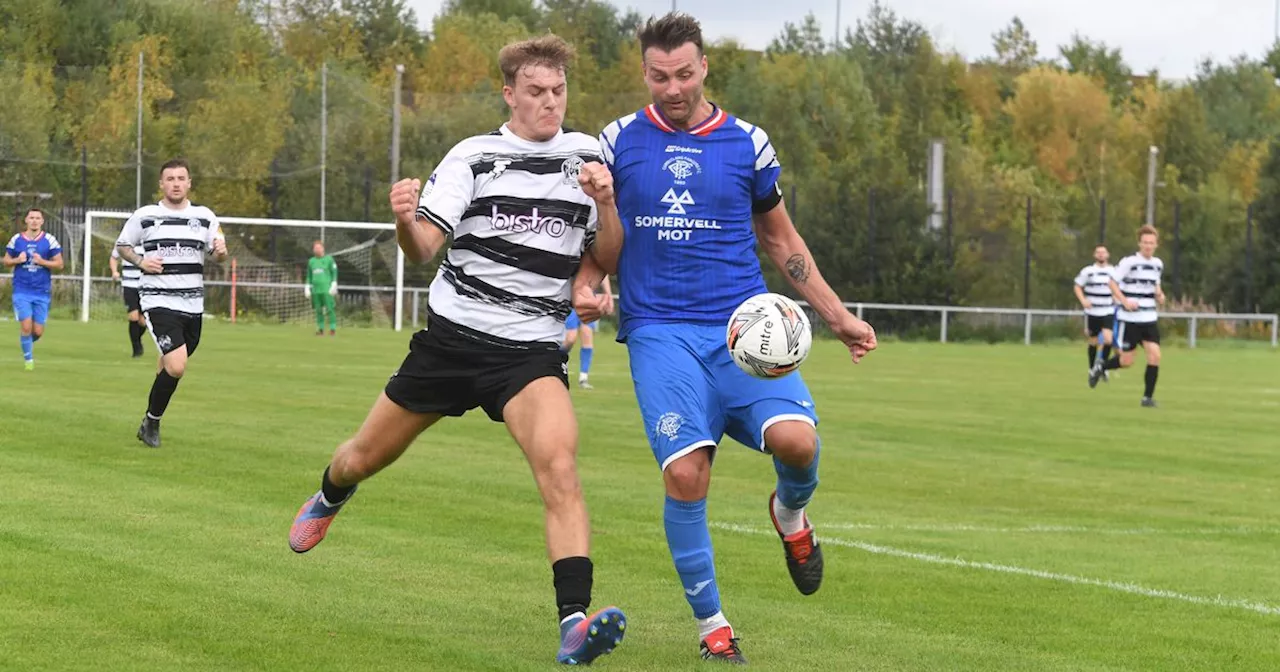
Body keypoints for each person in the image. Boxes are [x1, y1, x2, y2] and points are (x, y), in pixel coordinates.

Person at [287, 35, 628, 666]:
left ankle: (574, 624)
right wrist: (403, 215)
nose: (549, 102)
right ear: (508, 93)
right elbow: (422, 249)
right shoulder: (474, 157)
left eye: (558, 91)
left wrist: (605, 205)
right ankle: (331, 493)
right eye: (535, 92)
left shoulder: (589, 157)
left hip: (527, 353)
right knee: (362, 457)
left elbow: (605, 255)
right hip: (450, 343)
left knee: (560, 466)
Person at [573, 13, 877, 663]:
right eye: (659, 76)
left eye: (684, 74)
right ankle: (714, 630)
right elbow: (602, 243)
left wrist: (836, 314)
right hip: (660, 333)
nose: (673, 87)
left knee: (798, 443)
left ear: (704, 67)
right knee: (687, 473)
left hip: (744, 332)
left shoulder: (748, 143)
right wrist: (588, 279)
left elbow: (781, 240)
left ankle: (791, 517)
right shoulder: (617, 141)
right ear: (644, 73)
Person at [115, 158, 228, 447]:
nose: (176, 183)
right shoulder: (145, 215)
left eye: (181, 178)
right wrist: (142, 261)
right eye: (170, 178)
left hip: (193, 305)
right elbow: (123, 246)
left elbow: (218, 252)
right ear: (161, 184)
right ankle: (152, 423)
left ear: (189, 183)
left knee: (167, 365)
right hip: (158, 300)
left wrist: (220, 252)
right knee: (177, 366)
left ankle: (148, 421)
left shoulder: (205, 217)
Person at [1090, 225, 1165, 405]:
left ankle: (1147, 398)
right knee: (1126, 361)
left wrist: (1160, 295)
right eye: (1145, 242)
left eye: (1151, 243)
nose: (1148, 246)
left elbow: (1156, 286)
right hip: (1130, 320)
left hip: (1149, 319)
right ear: (1139, 243)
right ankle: (1101, 366)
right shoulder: (1129, 262)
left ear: (1156, 245)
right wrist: (1124, 301)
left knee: (1155, 356)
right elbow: (1112, 283)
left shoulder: (1157, 264)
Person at [3, 208, 64, 370]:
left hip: (41, 291)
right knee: (26, 326)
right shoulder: (17, 239)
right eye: (32, 218)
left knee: (37, 331)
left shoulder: (49, 240)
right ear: (26, 220)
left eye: (38, 218)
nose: (35, 221)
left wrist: (43, 262)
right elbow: (6, 261)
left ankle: (26, 342)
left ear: (42, 221)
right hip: (21, 289)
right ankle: (28, 361)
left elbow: (59, 264)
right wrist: (18, 260)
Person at [1073, 244, 1114, 382]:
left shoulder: (1113, 271)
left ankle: (1102, 367)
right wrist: (1083, 300)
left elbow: (1119, 287)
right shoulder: (1088, 271)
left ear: (1108, 255)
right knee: (1093, 341)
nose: (1101, 254)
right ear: (1095, 255)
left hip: (1108, 310)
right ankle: (1092, 368)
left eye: (1103, 252)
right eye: (1098, 252)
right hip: (1093, 311)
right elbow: (1077, 286)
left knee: (1108, 339)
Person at [562, 276, 612, 389]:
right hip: (571, 300)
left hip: (589, 299)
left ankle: (583, 378)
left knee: (587, 336)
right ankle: (560, 360)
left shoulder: (593, 258)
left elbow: (604, 274)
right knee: (570, 338)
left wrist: (608, 293)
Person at [110, 244, 147, 357]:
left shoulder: (146, 241)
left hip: (144, 285)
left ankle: (137, 338)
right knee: (133, 317)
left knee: (143, 322)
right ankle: (136, 349)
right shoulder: (123, 242)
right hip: (129, 285)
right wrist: (114, 271)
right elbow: (113, 257)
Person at [305, 240, 338, 335]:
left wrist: (334, 283)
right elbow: (309, 275)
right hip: (316, 290)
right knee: (318, 310)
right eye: (315, 248)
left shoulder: (329, 259)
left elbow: (334, 271)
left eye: (318, 248)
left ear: (323, 248)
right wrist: (307, 287)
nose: (317, 250)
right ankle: (321, 329)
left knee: (330, 309)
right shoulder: (311, 261)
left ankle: (332, 329)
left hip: (327, 289)